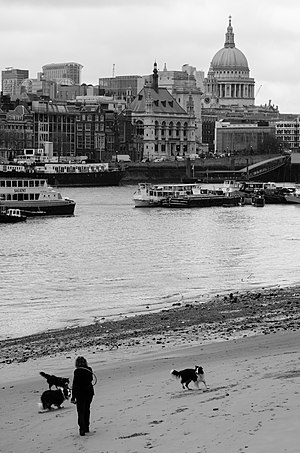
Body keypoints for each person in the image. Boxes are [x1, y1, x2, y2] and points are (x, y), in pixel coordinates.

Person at [71, 356, 95, 436]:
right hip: (89, 392)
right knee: (87, 410)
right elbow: (91, 379)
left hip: (80, 394)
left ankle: (82, 429)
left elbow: (75, 384)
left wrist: (73, 396)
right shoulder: (89, 369)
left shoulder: (76, 371)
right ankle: (87, 427)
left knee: (80, 411)